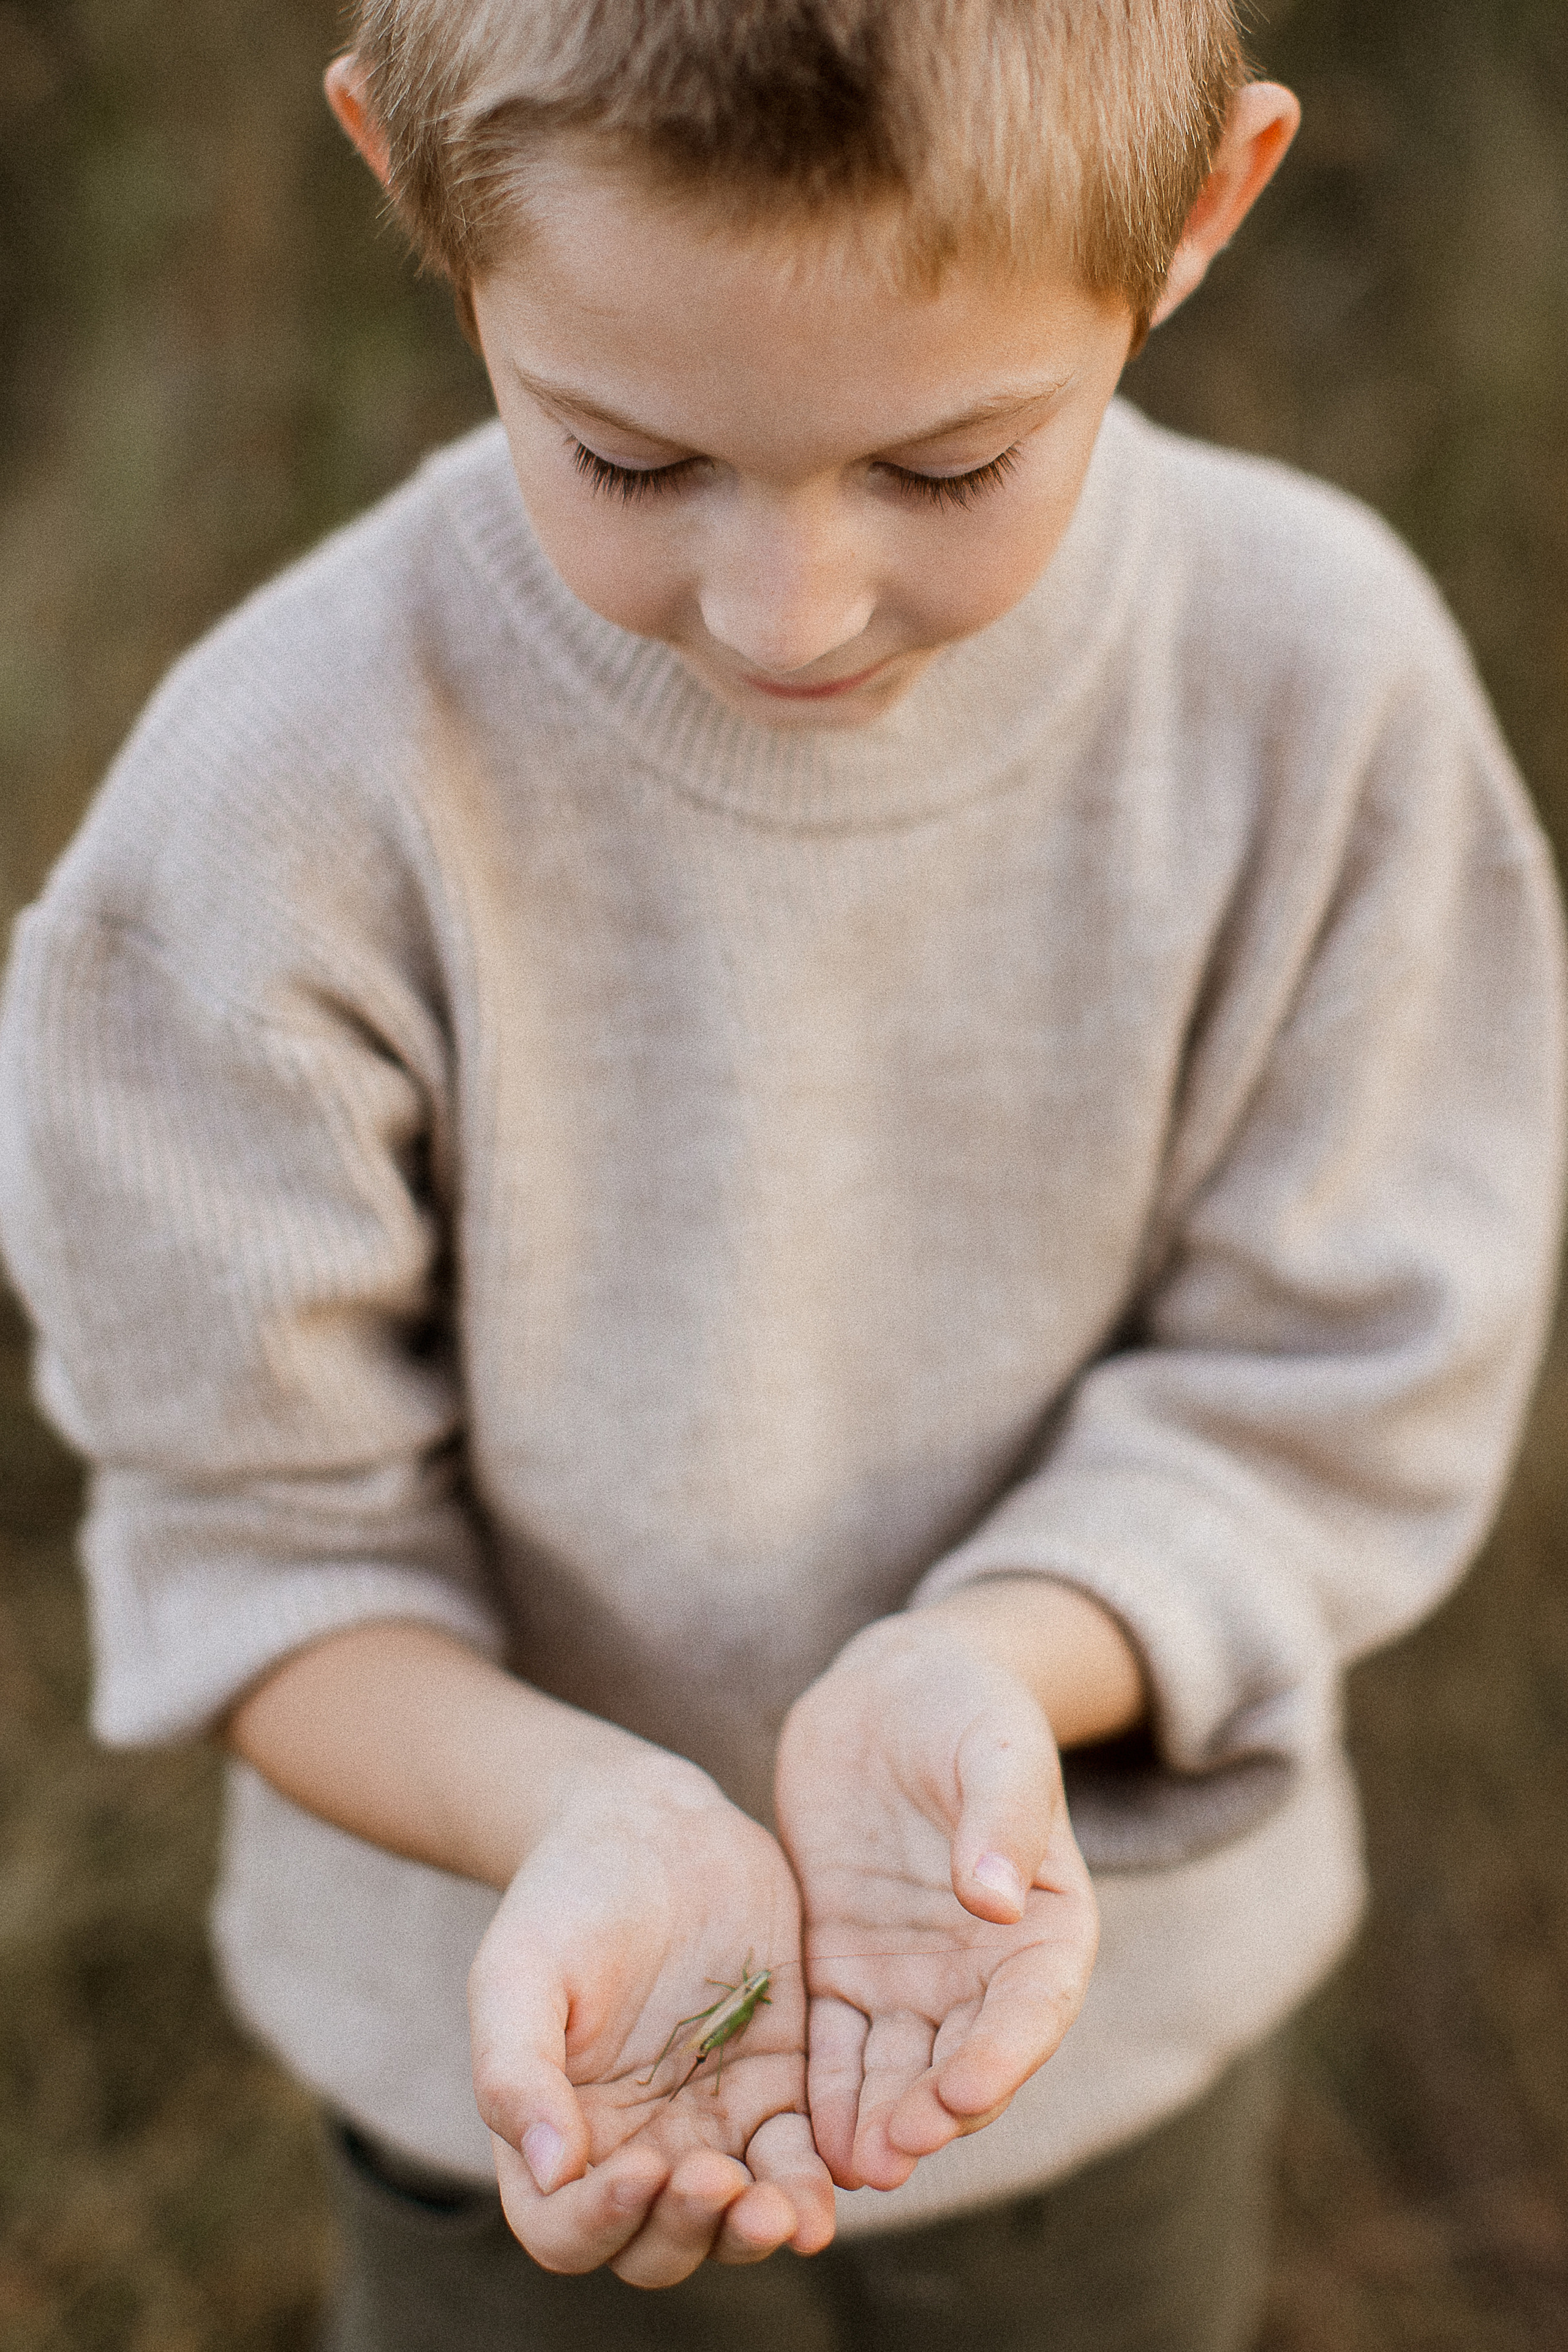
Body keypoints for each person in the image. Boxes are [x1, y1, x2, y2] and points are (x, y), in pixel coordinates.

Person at [1, 3, 1563, 2346]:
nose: (786, 606)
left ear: (1204, 210)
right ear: (416, 194)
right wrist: (584, 1817)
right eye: (632, 459)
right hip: (526, 2080)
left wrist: (994, 1668)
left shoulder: (1310, 688)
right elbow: (261, 1543)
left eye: (946, 469)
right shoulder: (271, 813)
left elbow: (1332, 1378)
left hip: (1096, 2063)